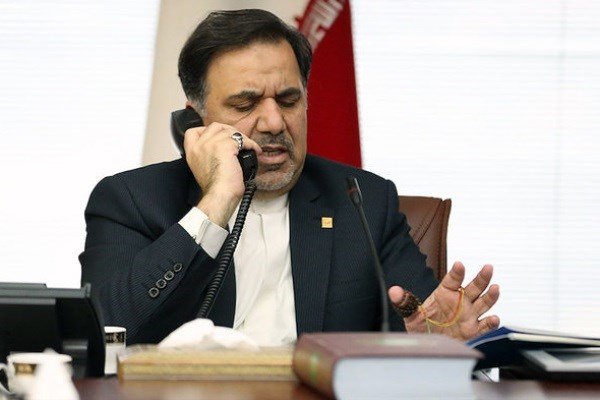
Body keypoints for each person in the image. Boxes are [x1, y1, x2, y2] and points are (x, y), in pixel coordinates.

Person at [80, 9, 500, 346]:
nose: (274, 122)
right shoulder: (131, 200)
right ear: (195, 120)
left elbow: (422, 323)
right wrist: (217, 200)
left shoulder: (363, 200)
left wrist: (434, 341)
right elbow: (105, 331)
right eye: (245, 104)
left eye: (288, 99)